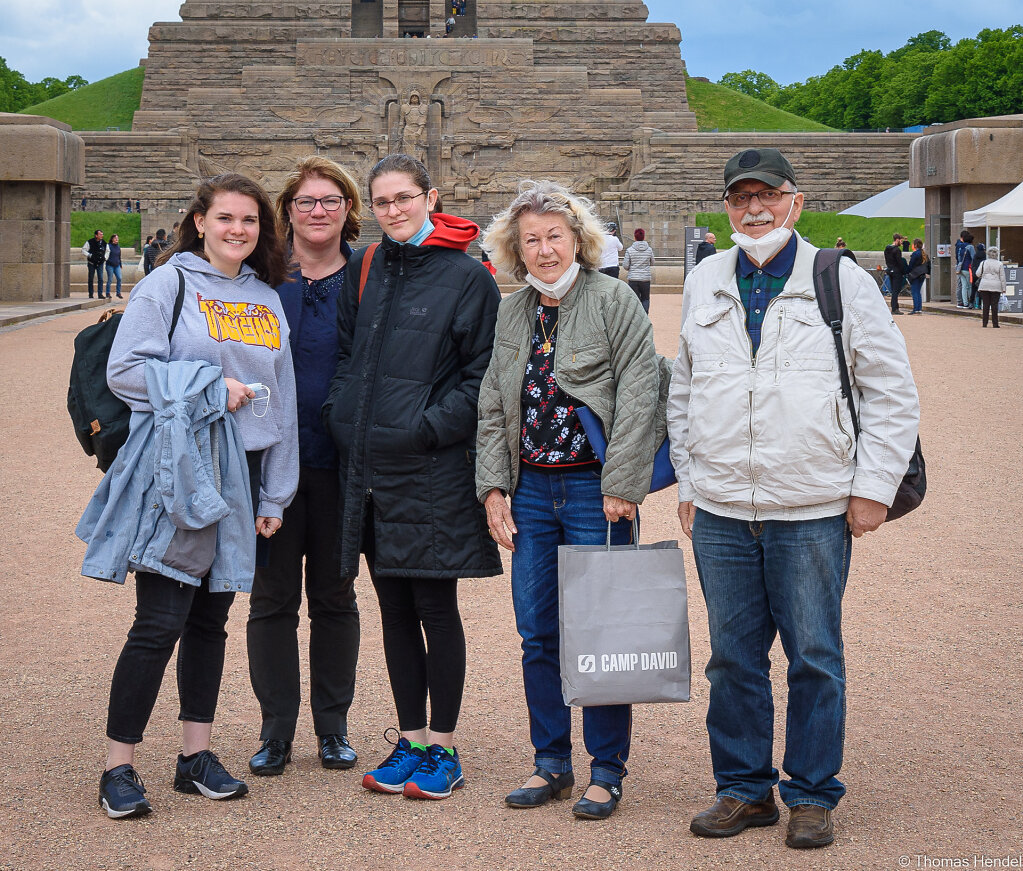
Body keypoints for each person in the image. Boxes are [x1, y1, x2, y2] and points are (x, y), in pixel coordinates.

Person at [668, 148, 919, 849]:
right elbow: (684, 390)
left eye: (768, 195)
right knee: (731, 658)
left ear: (795, 202)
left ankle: (810, 791)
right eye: (739, 196)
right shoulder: (705, 278)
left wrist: (871, 489)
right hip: (720, 506)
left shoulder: (838, 277)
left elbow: (891, 391)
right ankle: (743, 788)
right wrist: (689, 482)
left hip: (809, 506)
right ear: (725, 207)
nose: (754, 208)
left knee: (813, 653)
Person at [81, 172, 297, 819]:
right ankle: (118, 765)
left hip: (247, 474)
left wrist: (274, 495)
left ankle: (193, 755)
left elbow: (279, 399)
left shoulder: (266, 295)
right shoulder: (168, 283)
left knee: (211, 620)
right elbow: (124, 370)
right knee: (159, 621)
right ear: (199, 221)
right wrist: (209, 388)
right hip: (183, 469)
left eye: (250, 221)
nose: (238, 229)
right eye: (226, 218)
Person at [477, 180, 664, 821]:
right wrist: (493, 485)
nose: (545, 248)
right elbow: (495, 404)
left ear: (577, 239)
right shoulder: (511, 311)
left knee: (604, 631)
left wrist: (623, 484)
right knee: (538, 632)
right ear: (516, 249)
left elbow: (642, 393)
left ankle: (606, 770)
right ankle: (550, 762)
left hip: (593, 488)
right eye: (531, 239)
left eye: (554, 235)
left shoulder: (613, 299)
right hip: (531, 490)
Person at [322, 154, 501, 801]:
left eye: (404, 198)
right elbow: (346, 358)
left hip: (428, 469)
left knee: (433, 606)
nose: (392, 210)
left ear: (431, 197)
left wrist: (423, 428)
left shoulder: (468, 277)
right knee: (392, 609)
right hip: (368, 468)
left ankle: (443, 749)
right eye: (382, 201)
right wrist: (339, 416)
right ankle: (410, 737)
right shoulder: (364, 267)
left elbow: (480, 379)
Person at [246, 156, 364, 777]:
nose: (318, 211)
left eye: (330, 200)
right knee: (270, 598)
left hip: (341, 466)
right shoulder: (257, 282)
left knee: (335, 597)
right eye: (305, 201)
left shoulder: (370, 279)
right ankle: (275, 730)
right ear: (287, 211)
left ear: (348, 209)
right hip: (269, 466)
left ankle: (333, 726)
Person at [622, 227, 655, 313]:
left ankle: (636, 317)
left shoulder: (630, 250)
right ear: (644, 237)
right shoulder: (649, 250)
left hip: (633, 278)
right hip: (645, 278)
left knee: (634, 300)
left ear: (635, 237)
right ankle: (645, 315)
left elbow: (625, 266)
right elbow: (652, 262)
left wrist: (632, 267)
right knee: (645, 298)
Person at [974, 245, 1006, 328]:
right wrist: (1004, 288)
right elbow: (1002, 277)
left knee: (986, 305)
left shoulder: (984, 262)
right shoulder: (1000, 264)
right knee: (994, 305)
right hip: (996, 286)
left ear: (988, 254)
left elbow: (977, 273)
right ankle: (995, 324)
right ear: (997, 254)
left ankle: (985, 323)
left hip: (984, 285)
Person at [883, 232, 907, 315]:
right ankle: (894, 308)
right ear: (897, 240)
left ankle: (896, 307)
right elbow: (899, 262)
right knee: (896, 291)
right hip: (897, 272)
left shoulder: (887, 249)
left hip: (890, 270)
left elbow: (887, 260)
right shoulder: (897, 250)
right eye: (901, 241)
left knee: (893, 290)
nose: (901, 242)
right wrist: (903, 271)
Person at [905, 237, 929, 314]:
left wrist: (907, 271)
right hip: (922, 275)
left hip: (915, 275)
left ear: (915, 245)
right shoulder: (924, 253)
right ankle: (919, 308)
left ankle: (916, 309)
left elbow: (911, 265)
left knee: (915, 292)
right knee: (918, 292)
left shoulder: (915, 254)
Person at [82, 229, 107, 299]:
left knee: (100, 279)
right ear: (96, 235)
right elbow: (83, 250)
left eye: (102, 234)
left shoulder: (104, 243)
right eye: (100, 234)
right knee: (91, 278)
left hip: (100, 263)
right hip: (91, 263)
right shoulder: (90, 242)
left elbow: (108, 250)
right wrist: (89, 255)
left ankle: (100, 294)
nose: (102, 235)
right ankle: (90, 293)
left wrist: (105, 257)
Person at [955, 230, 975, 308]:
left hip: (960, 268)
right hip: (967, 268)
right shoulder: (970, 247)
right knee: (969, 286)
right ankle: (970, 302)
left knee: (963, 286)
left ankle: (964, 303)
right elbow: (973, 257)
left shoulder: (960, 246)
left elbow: (958, 257)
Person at [104, 233, 124, 299]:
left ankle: (118, 293)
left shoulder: (118, 247)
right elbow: (106, 255)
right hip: (110, 265)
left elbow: (119, 256)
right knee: (110, 279)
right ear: (112, 239)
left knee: (119, 278)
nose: (117, 239)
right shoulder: (108, 246)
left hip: (117, 265)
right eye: (115, 238)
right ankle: (107, 293)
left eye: (117, 238)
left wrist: (120, 264)